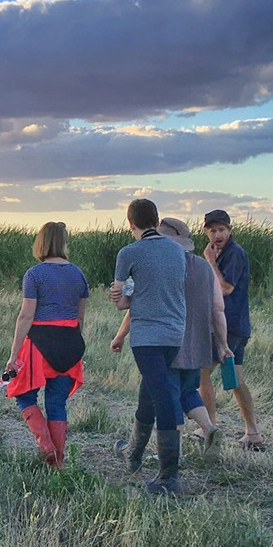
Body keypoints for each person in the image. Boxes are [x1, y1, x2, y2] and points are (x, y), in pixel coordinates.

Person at [110, 198, 187, 495]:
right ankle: (133, 453)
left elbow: (123, 301)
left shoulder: (129, 252)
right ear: (156, 221)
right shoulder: (177, 251)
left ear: (131, 224)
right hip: (174, 333)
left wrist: (120, 296)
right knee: (151, 391)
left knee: (163, 394)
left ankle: (169, 475)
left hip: (146, 336)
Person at [5, 222, 88, 468]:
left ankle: (46, 446)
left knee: (22, 394)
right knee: (56, 403)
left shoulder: (35, 274)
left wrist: (13, 356)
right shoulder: (78, 274)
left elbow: (26, 316)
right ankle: (58, 463)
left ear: (41, 242)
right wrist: (72, 345)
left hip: (39, 345)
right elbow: (80, 317)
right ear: (63, 242)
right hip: (70, 343)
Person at [200, 209, 264, 450]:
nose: (217, 234)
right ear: (206, 232)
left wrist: (210, 262)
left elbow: (225, 288)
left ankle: (207, 427)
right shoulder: (220, 252)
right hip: (234, 324)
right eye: (212, 230)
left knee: (201, 372)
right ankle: (253, 432)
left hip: (229, 324)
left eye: (221, 230)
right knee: (236, 379)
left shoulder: (234, 254)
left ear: (230, 229)